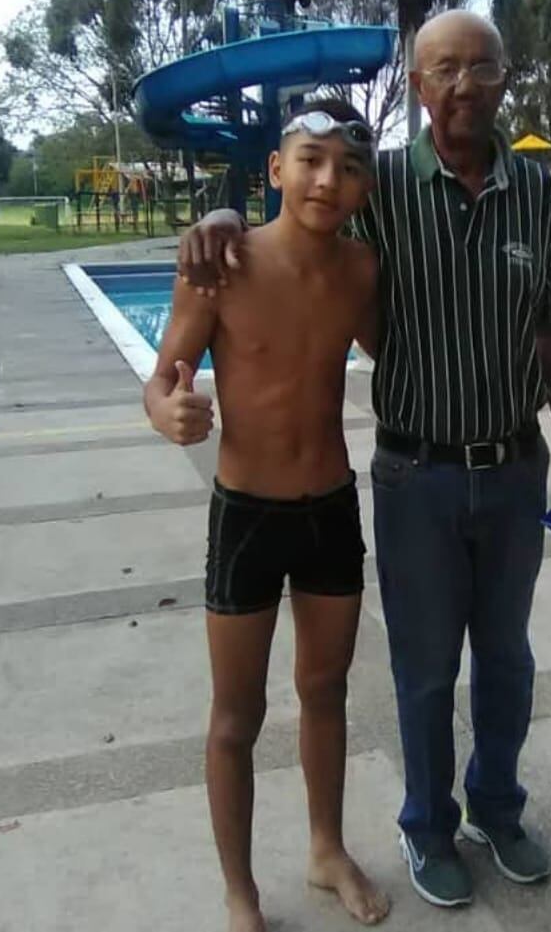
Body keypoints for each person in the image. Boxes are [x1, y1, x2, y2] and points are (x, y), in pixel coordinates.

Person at [179, 10, 551, 909]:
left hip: (515, 463)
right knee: (420, 664)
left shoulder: (541, 193)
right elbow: (303, 211)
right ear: (418, 86)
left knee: (506, 657)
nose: (462, 84)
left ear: (503, 78)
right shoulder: (383, 190)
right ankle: (426, 827)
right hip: (414, 472)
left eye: (479, 67)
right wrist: (223, 213)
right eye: (442, 69)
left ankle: (495, 806)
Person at [145, 99, 390, 932]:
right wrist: (167, 411)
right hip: (245, 515)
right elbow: (164, 372)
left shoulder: (363, 272)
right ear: (276, 169)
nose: (328, 178)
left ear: (364, 186)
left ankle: (326, 849)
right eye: (311, 159)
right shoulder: (223, 262)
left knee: (324, 689)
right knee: (234, 715)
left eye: (349, 167)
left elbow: (402, 347)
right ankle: (240, 893)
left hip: (329, 507)